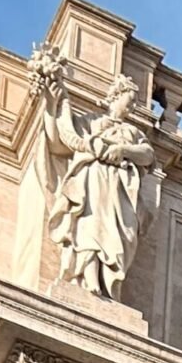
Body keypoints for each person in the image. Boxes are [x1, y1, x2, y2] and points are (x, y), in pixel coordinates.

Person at [39, 62, 157, 301]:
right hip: (93, 180)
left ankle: (107, 282)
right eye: (130, 99)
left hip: (118, 188)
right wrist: (57, 99)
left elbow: (148, 155)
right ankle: (89, 279)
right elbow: (64, 137)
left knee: (117, 233)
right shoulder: (92, 122)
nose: (133, 105)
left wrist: (123, 150)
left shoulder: (133, 133)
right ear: (116, 96)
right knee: (90, 228)